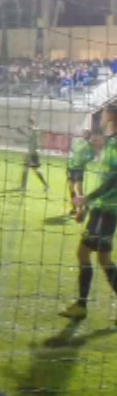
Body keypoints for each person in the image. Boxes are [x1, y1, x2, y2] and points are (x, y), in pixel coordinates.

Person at [63, 108, 117, 320]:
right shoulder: (110, 141)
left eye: (104, 115)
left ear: (111, 116)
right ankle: (81, 306)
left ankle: (81, 306)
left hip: (107, 210)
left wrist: (87, 199)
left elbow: (114, 180)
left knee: (85, 253)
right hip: (104, 209)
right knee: (103, 258)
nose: (101, 118)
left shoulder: (115, 144)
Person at [20, 116, 50, 193]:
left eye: (30, 123)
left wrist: (25, 132)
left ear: (33, 123)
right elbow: (29, 139)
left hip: (34, 154)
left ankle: (46, 185)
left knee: (36, 171)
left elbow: (36, 133)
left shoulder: (36, 130)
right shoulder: (32, 132)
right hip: (30, 154)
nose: (29, 125)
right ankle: (23, 186)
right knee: (25, 169)